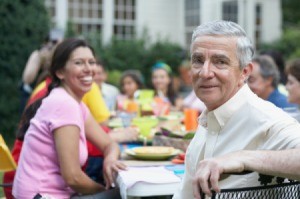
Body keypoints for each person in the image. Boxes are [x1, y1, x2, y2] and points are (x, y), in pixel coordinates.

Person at [172, 20, 300, 199]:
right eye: (198, 60)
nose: (205, 72)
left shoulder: (267, 120)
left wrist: (242, 158)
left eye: (220, 62)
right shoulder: (209, 118)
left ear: (245, 72)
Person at [12, 38, 125, 199]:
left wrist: (110, 159)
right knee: (125, 194)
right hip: (41, 195)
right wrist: (104, 191)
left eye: (91, 62)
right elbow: (73, 177)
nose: (89, 69)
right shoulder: (64, 104)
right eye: (79, 63)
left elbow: (108, 143)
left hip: (52, 194)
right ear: (60, 72)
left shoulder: (74, 103)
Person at [20, 28, 64, 112]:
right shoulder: (38, 55)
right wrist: (39, 59)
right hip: (33, 96)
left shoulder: (61, 57)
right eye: (53, 42)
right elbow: (27, 79)